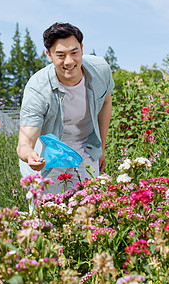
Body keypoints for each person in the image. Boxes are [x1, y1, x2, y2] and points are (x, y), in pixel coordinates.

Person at [17, 22, 114, 194]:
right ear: (49, 55)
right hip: (49, 159)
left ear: (82, 49)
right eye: (60, 55)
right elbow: (25, 142)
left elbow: (106, 102)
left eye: (74, 53)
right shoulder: (37, 88)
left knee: (89, 211)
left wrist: (101, 149)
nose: (69, 61)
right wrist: (29, 155)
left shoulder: (100, 70)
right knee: (47, 217)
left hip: (86, 150)